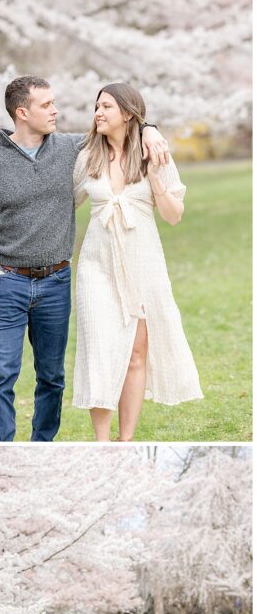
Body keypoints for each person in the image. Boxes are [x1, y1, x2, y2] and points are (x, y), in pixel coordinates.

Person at [0, 75, 169, 442]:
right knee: (1, 376)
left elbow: (122, 126)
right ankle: (2, 450)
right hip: (5, 282)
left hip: (55, 283)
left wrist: (150, 129)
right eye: (46, 105)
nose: (56, 110)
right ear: (22, 113)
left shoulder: (74, 149)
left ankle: (43, 447)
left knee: (52, 377)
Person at [72, 83, 202, 440]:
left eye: (107, 107)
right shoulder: (87, 158)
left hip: (143, 262)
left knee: (135, 352)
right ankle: (102, 441)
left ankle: (125, 439)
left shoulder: (154, 154)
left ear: (128, 114)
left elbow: (174, 215)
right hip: (96, 266)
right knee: (99, 349)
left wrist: (156, 178)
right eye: (96, 106)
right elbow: (64, 205)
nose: (98, 113)